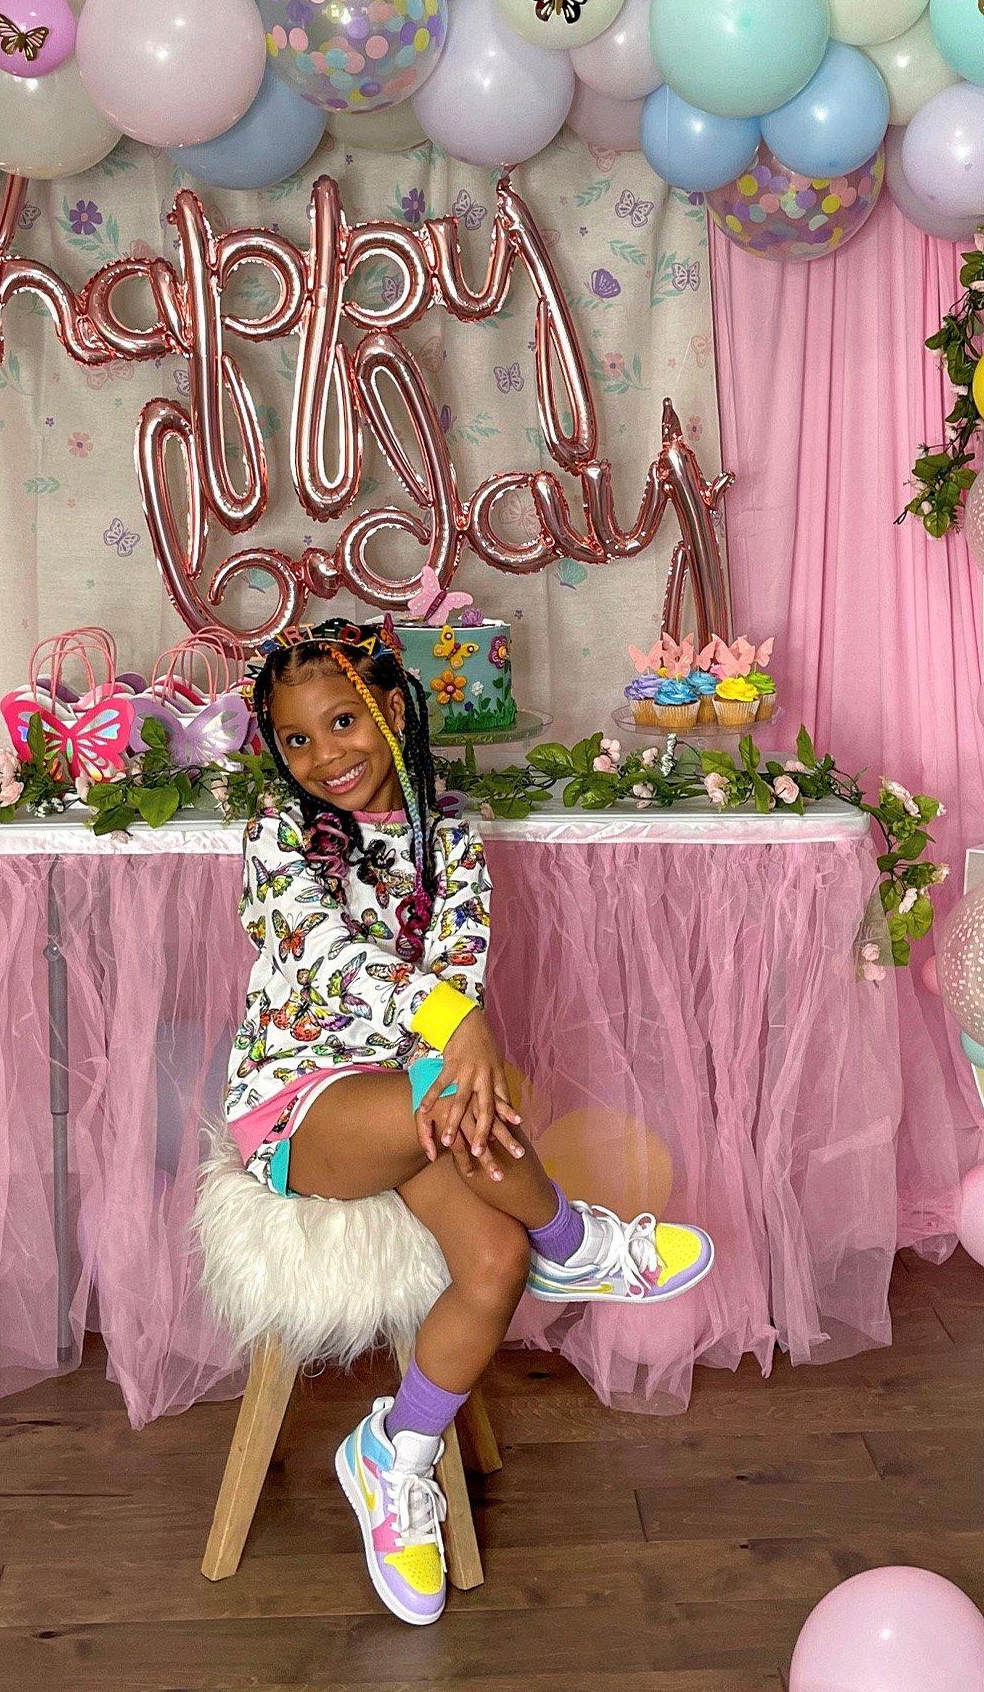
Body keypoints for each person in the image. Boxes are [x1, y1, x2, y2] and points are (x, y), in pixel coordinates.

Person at [225, 617, 714, 1626]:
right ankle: (575, 1237)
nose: (323, 756)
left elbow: (456, 958)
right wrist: (456, 1029)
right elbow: (327, 958)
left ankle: (391, 1456)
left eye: (343, 722)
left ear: (393, 710)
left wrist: (457, 1035)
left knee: (492, 1261)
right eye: (298, 738)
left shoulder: (448, 830)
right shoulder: (275, 836)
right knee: (447, 1087)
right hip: (299, 1104)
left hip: (420, 1097)